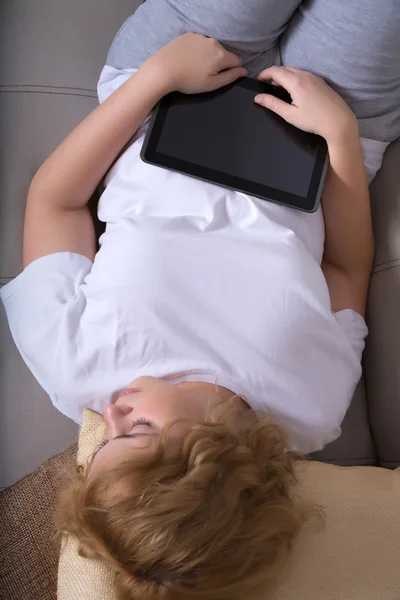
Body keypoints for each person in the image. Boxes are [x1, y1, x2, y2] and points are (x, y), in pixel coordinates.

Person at [1, 0, 399, 597]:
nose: (105, 417)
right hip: (325, 132)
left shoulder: (72, 361)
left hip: (170, 96)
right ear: (211, 456)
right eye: (131, 434)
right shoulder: (310, 406)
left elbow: (53, 203)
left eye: (101, 443)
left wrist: (155, 78)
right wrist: (340, 136)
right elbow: (345, 267)